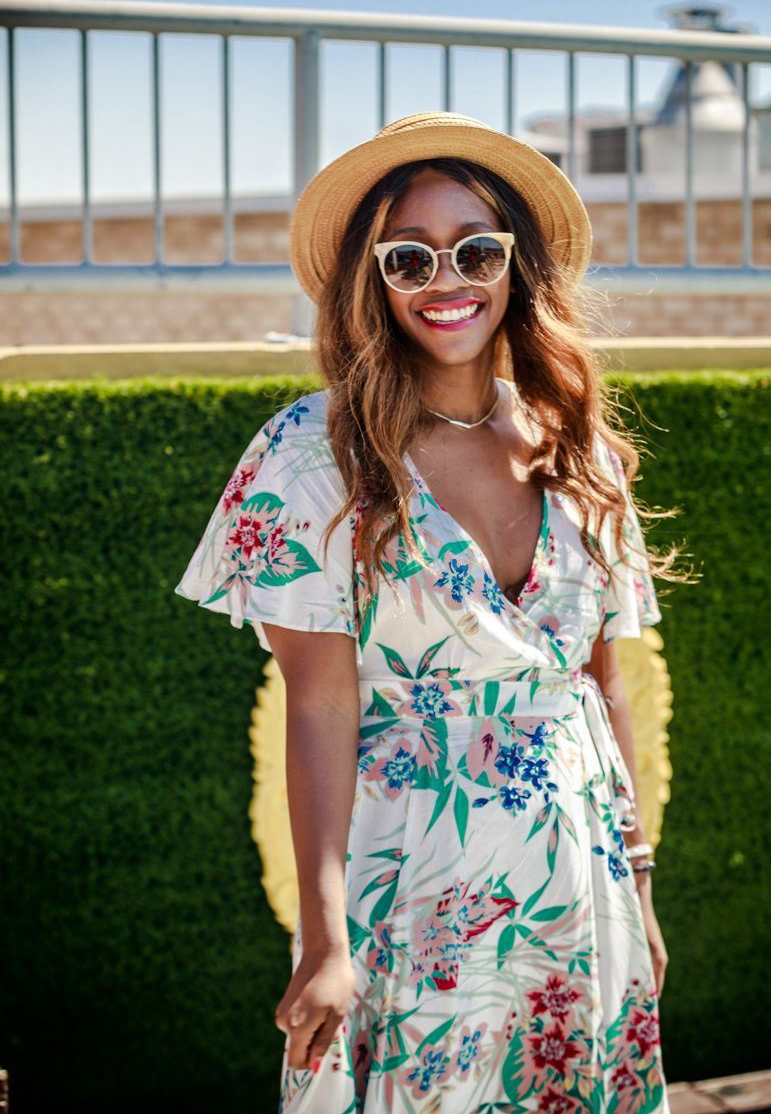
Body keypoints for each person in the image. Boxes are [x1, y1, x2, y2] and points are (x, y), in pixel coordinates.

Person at [177, 112, 674, 1114]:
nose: (445, 279)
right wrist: (322, 941)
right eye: (408, 259)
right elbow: (317, 709)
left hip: (581, 885)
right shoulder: (311, 457)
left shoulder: (581, 450)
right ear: (375, 281)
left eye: (474, 250)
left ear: (514, 266)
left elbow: (600, 682)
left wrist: (640, 887)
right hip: (414, 886)